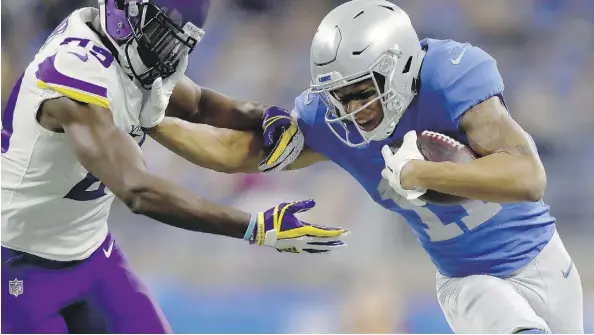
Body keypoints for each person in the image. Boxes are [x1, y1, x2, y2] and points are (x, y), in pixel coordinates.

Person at [147, 0, 584, 333]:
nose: (352, 108)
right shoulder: (332, 120)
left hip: (545, 263)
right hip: (465, 281)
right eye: (340, 96)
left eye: (362, 90)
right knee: (489, 303)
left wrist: (419, 175)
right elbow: (232, 151)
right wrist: (150, 120)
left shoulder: (450, 79)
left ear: (401, 68)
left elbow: (528, 179)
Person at [1, 0, 349, 333]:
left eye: (179, 43)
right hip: (19, 261)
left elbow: (197, 102)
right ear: (125, 13)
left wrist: (263, 114)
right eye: (161, 36)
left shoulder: (127, 50)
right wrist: (255, 226)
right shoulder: (73, 75)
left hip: (90, 251)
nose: (168, 55)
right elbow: (137, 190)